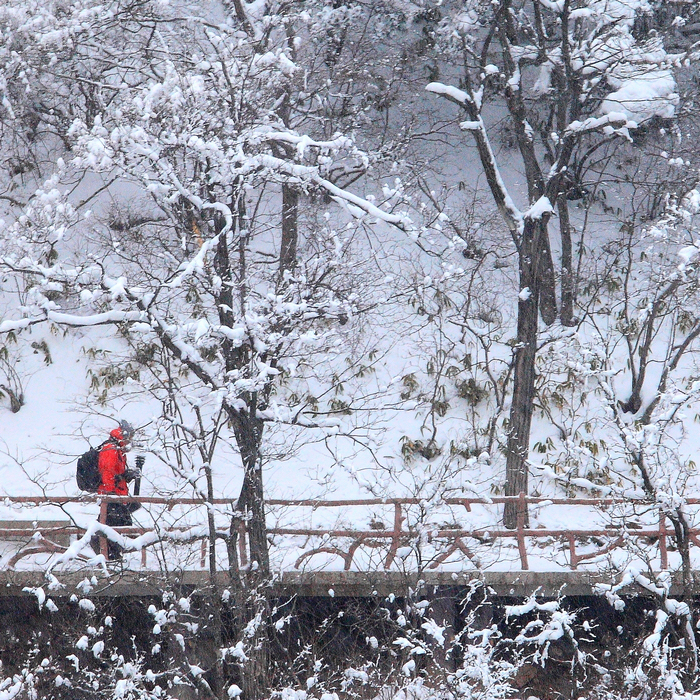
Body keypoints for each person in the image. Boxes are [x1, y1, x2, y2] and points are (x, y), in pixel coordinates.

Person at [96, 420, 142, 560]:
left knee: (117, 526)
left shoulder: (117, 450)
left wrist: (126, 476)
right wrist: (113, 493)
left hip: (116, 495)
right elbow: (108, 475)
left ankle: (111, 555)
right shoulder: (111, 449)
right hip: (111, 496)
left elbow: (114, 475)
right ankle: (109, 555)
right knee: (115, 527)